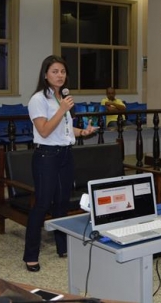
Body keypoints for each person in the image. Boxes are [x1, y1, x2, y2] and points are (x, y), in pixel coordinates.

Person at [24, 55, 98, 272]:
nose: (60, 75)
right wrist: (62, 110)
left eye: (63, 72)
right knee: (42, 204)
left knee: (62, 203)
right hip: (46, 157)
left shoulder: (62, 98)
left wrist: (82, 132)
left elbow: (64, 129)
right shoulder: (38, 99)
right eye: (55, 71)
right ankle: (30, 255)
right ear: (45, 75)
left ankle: (62, 247)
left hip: (65, 154)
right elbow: (45, 130)